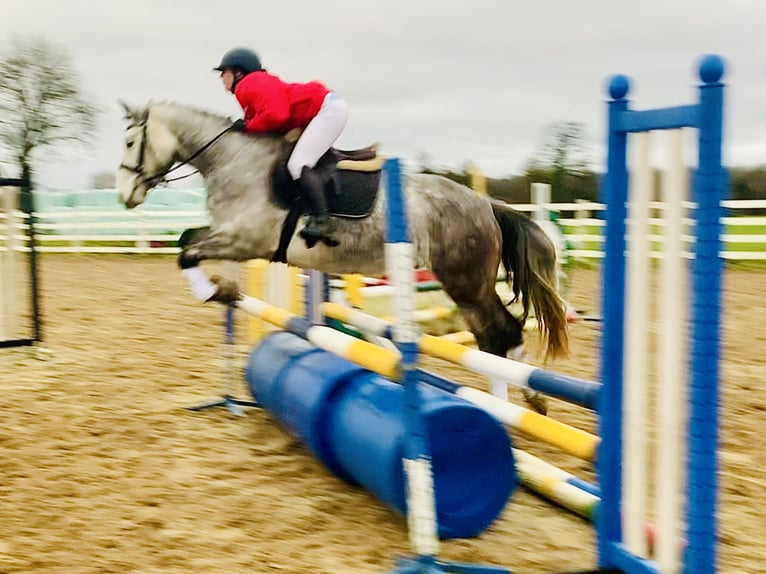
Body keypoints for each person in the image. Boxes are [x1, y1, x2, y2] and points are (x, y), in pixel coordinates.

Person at [214, 47, 348, 246]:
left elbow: (277, 116)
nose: (222, 77)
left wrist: (248, 126)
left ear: (238, 72)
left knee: (298, 164)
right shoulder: (256, 83)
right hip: (328, 107)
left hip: (327, 110)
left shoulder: (247, 85)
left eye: (224, 72)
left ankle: (323, 221)